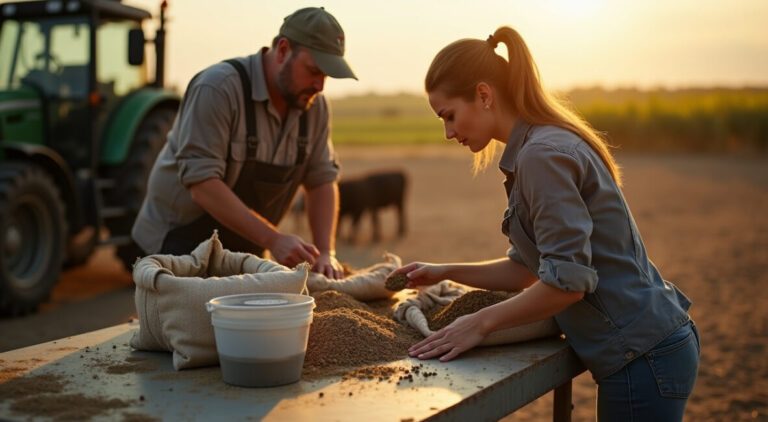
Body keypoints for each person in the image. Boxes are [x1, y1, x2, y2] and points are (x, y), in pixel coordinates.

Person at [389, 26, 700, 420]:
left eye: (449, 116)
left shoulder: (540, 156)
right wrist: (443, 271)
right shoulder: (536, 148)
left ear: (484, 95)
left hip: (643, 356)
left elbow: (567, 283)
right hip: (651, 349)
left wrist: (479, 323)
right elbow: (527, 270)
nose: (448, 132)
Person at [132, 7, 356, 278]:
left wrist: (325, 252)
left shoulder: (315, 106)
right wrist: (274, 239)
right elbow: (202, 184)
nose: (320, 85)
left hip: (245, 247)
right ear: (283, 50)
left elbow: (321, 180)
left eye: (327, 76)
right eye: (313, 71)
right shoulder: (218, 88)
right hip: (176, 248)